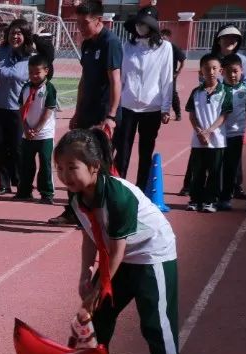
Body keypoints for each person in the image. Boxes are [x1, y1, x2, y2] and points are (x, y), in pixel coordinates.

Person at [55, 128, 188, 354]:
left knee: (156, 326)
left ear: (93, 167)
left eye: (71, 168)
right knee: (98, 316)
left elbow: (116, 251)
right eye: (60, 168)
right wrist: (84, 274)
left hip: (152, 254)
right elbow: (91, 235)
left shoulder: (117, 195)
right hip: (120, 255)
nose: (65, 175)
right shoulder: (77, 198)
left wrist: (91, 295)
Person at [50, 0, 121, 227]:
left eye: (85, 23)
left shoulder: (111, 43)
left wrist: (110, 116)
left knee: (97, 165)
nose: (80, 27)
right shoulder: (87, 44)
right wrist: (77, 112)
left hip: (102, 114)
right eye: (78, 23)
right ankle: (74, 211)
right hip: (86, 113)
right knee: (74, 161)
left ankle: (105, 212)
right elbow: (84, 80)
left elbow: (115, 81)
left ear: (99, 20)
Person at [113, 6, 171, 188]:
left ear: (152, 27)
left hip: (151, 108)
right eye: (138, 24)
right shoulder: (128, 47)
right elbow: (121, 78)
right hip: (127, 106)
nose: (140, 27)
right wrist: (115, 106)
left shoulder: (164, 48)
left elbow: (167, 78)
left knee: (146, 151)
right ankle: (119, 185)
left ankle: (141, 189)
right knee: (122, 149)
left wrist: (166, 108)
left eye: (144, 24)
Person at [0, 19, 34, 196]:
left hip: (20, 111)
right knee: (0, 146)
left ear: (26, 36)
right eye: (12, 33)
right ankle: (4, 183)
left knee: (18, 148)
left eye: (19, 33)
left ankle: (20, 181)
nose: (15, 36)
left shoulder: (31, 57)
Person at [185, 54, 231, 213]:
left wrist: (209, 131)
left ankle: (209, 201)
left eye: (214, 68)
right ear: (200, 72)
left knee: (214, 172)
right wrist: (199, 132)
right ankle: (194, 199)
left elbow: (224, 115)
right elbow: (192, 115)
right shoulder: (196, 92)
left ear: (221, 70)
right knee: (197, 171)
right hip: (198, 140)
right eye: (206, 68)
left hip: (216, 140)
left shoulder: (225, 91)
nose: (210, 71)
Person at [16, 55, 58, 203]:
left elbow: (48, 110)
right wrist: (26, 128)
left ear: (46, 71)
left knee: (45, 163)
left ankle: (46, 192)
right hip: (27, 133)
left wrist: (37, 129)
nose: (34, 76)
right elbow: (22, 108)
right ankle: (24, 190)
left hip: (44, 134)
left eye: (37, 72)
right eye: (30, 72)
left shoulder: (49, 88)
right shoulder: (26, 87)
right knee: (26, 163)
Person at [218, 56, 246, 210]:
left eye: (235, 71)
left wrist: (240, 126)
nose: (232, 75)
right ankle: (213, 195)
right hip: (218, 135)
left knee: (231, 167)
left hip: (236, 136)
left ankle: (226, 198)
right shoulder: (218, 89)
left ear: (241, 71)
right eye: (228, 72)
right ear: (222, 72)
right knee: (216, 167)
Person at [161, 29, 186, 121]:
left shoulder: (173, 47)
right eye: (161, 35)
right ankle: (161, 113)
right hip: (160, 75)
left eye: (165, 35)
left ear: (169, 37)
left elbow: (182, 60)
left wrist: (178, 72)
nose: (162, 37)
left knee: (172, 94)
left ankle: (178, 113)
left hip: (171, 75)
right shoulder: (158, 47)